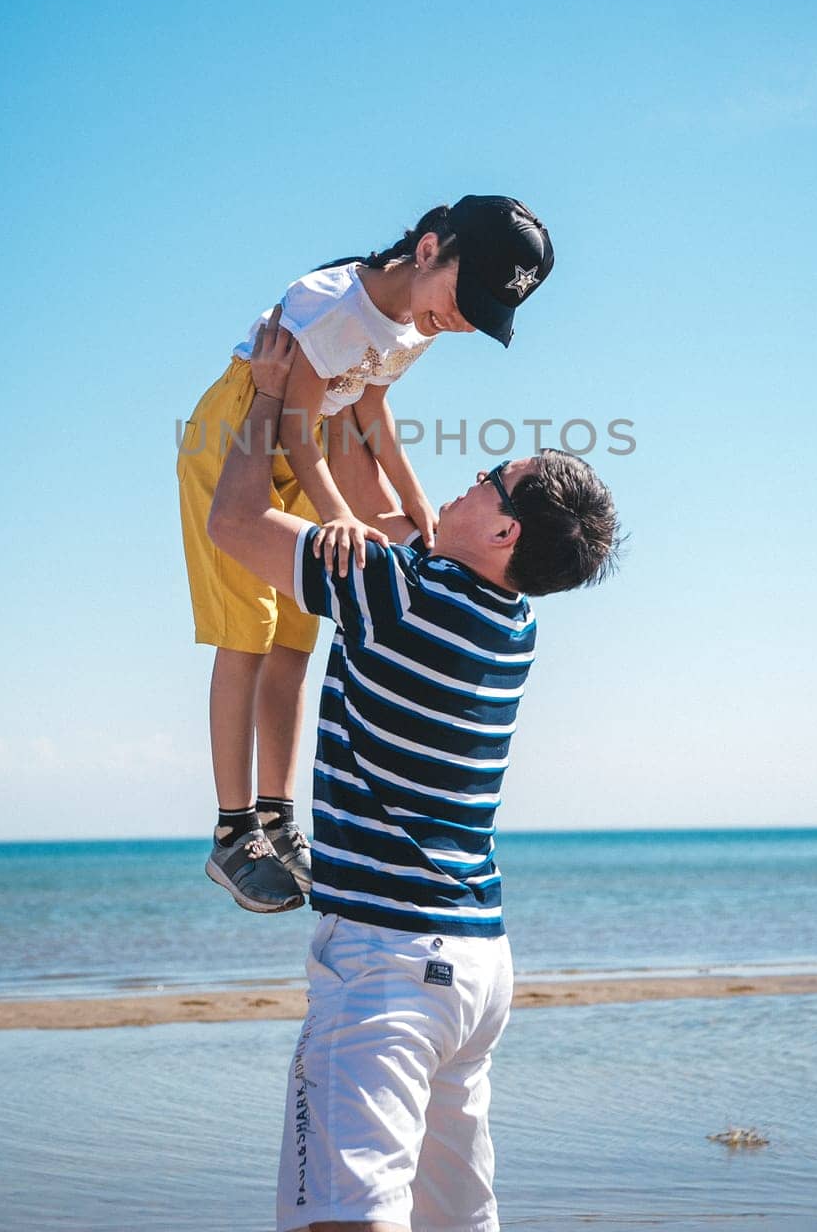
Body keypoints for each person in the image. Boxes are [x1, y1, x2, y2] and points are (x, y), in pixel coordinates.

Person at [207, 309, 620, 1232]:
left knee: (346, 1218)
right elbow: (379, 504)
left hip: (390, 964)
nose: (461, 487)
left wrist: (270, 398)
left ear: (505, 534)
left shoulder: (395, 589)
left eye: (485, 481)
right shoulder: (508, 621)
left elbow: (233, 522)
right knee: (454, 1218)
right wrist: (362, 384)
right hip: (475, 964)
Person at [177, 196, 555, 915]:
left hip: (306, 454)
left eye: (483, 312)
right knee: (245, 636)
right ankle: (233, 833)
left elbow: (370, 413)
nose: (464, 320)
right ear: (426, 250)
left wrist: (417, 508)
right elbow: (289, 427)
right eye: (463, 297)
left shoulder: (418, 322)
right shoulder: (328, 307)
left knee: (295, 640)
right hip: (240, 442)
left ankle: (277, 819)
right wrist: (341, 518)